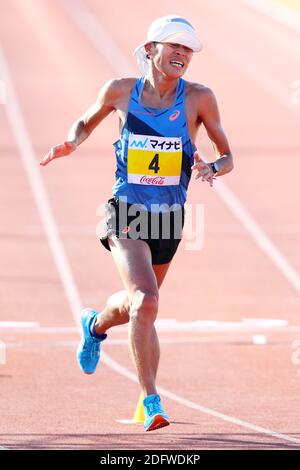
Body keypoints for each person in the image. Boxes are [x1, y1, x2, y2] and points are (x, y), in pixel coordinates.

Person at [40, 15, 234, 432]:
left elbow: (227, 154)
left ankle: (93, 325)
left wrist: (212, 167)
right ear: (151, 50)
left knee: (138, 307)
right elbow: (86, 120)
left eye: (188, 50)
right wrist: (71, 142)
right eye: (174, 46)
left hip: (170, 216)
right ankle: (151, 400)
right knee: (147, 300)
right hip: (126, 209)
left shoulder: (199, 98)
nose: (182, 54)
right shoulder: (121, 91)